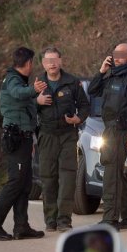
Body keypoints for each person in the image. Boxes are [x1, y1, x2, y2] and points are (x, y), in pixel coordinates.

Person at [0, 47, 47, 241]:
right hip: (16, 138)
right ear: (28, 63)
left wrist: (37, 100)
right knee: (15, 182)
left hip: (24, 138)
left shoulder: (20, 80)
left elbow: (24, 104)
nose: (32, 66)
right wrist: (34, 91)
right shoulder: (12, 79)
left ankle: (21, 226)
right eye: (32, 63)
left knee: (25, 183)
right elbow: (18, 94)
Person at [87, 43, 127, 230]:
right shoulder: (110, 76)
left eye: (122, 55)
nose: (117, 58)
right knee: (117, 175)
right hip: (109, 130)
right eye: (115, 54)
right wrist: (101, 71)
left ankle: (110, 219)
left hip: (122, 132)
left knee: (112, 176)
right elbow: (92, 91)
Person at [36, 46, 90, 232]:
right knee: (48, 178)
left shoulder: (72, 83)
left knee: (67, 178)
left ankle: (64, 220)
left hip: (68, 135)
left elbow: (84, 106)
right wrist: (37, 101)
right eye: (47, 60)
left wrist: (78, 119)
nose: (51, 63)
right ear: (43, 64)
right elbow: (26, 108)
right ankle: (50, 219)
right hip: (47, 135)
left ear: (60, 61)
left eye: (54, 59)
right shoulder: (37, 85)